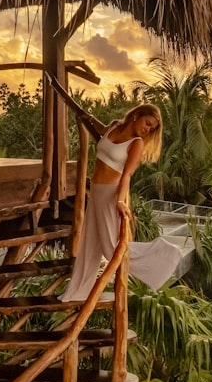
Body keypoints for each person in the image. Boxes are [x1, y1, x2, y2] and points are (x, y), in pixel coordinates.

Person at [46, 73, 183, 302]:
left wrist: (120, 201)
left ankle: (165, 255)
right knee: (90, 245)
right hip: (96, 192)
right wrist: (86, 118)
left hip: (111, 194)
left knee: (112, 249)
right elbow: (101, 133)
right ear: (137, 116)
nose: (147, 130)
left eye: (152, 129)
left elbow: (127, 175)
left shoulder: (136, 144)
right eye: (148, 124)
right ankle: (77, 291)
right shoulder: (113, 127)